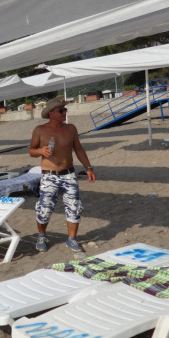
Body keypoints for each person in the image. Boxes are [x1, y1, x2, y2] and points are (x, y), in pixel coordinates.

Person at [29, 97, 96, 253]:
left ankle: (72, 239)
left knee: (74, 207)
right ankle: (41, 236)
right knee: (44, 208)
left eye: (65, 110)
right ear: (51, 113)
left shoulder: (70, 128)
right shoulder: (40, 130)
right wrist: (41, 151)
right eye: (61, 110)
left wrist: (88, 168)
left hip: (69, 174)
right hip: (49, 175)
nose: (65, 112)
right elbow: (31, 151)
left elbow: (78, 149)